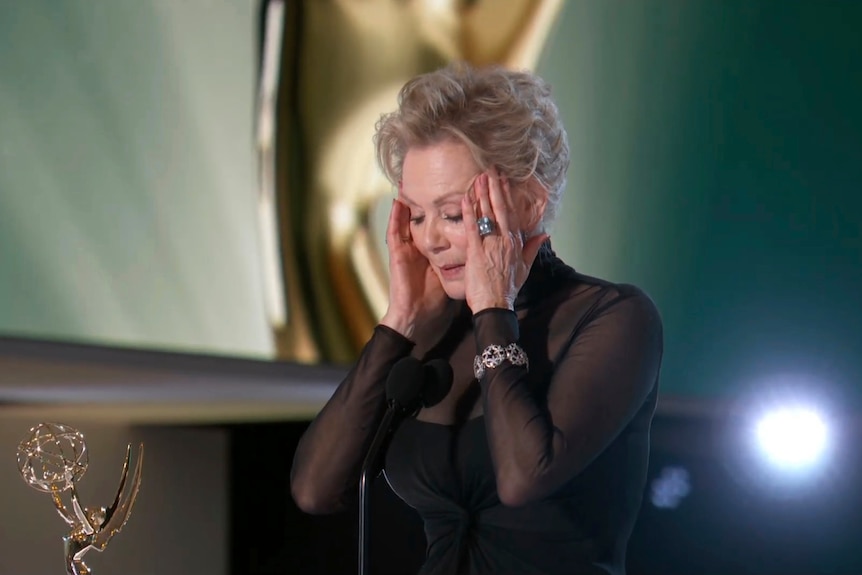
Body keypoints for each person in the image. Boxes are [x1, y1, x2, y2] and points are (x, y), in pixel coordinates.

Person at [290, 62, 663, 575]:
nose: (431, 240)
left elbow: (523, 477)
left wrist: (493, 309)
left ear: (529, 202)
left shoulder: (613, 317)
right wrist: (400, 321)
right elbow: (316, 489)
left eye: (452, 213)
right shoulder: (431, 335)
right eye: (417, 216)